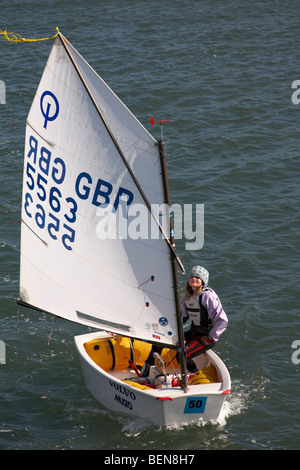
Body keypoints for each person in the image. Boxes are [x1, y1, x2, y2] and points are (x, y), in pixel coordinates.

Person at [182, 265, 228, 372]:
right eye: (192, 276)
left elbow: (223, 320)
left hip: (206, 337)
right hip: (194, 333)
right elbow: (181, 317)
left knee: (183, 354)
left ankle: (195, 375)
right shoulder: (188, 297)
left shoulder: (207, 296)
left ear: (203, 282)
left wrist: (211, 337)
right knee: (170, 343)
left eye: (198, 277)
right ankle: (147, 367)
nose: (194, 279)